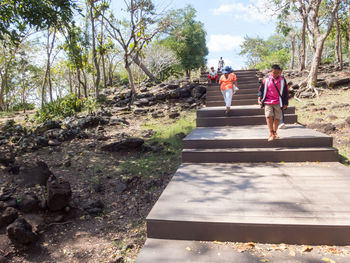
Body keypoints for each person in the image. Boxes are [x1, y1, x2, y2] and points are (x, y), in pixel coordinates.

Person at [258, 64, 288, 141]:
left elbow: (285, 92)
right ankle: (271, 133)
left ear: (280, 72)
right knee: (268, 116)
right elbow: (261, 90)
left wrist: (286, 103)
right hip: (268, 101)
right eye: (274, 72)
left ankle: (275, 132)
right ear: (271, 71)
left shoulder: (282, 80)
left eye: (278, 73)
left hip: (278, 101)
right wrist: (259, 98)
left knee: (277, 118)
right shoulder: (266, 80)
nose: (276, 74)